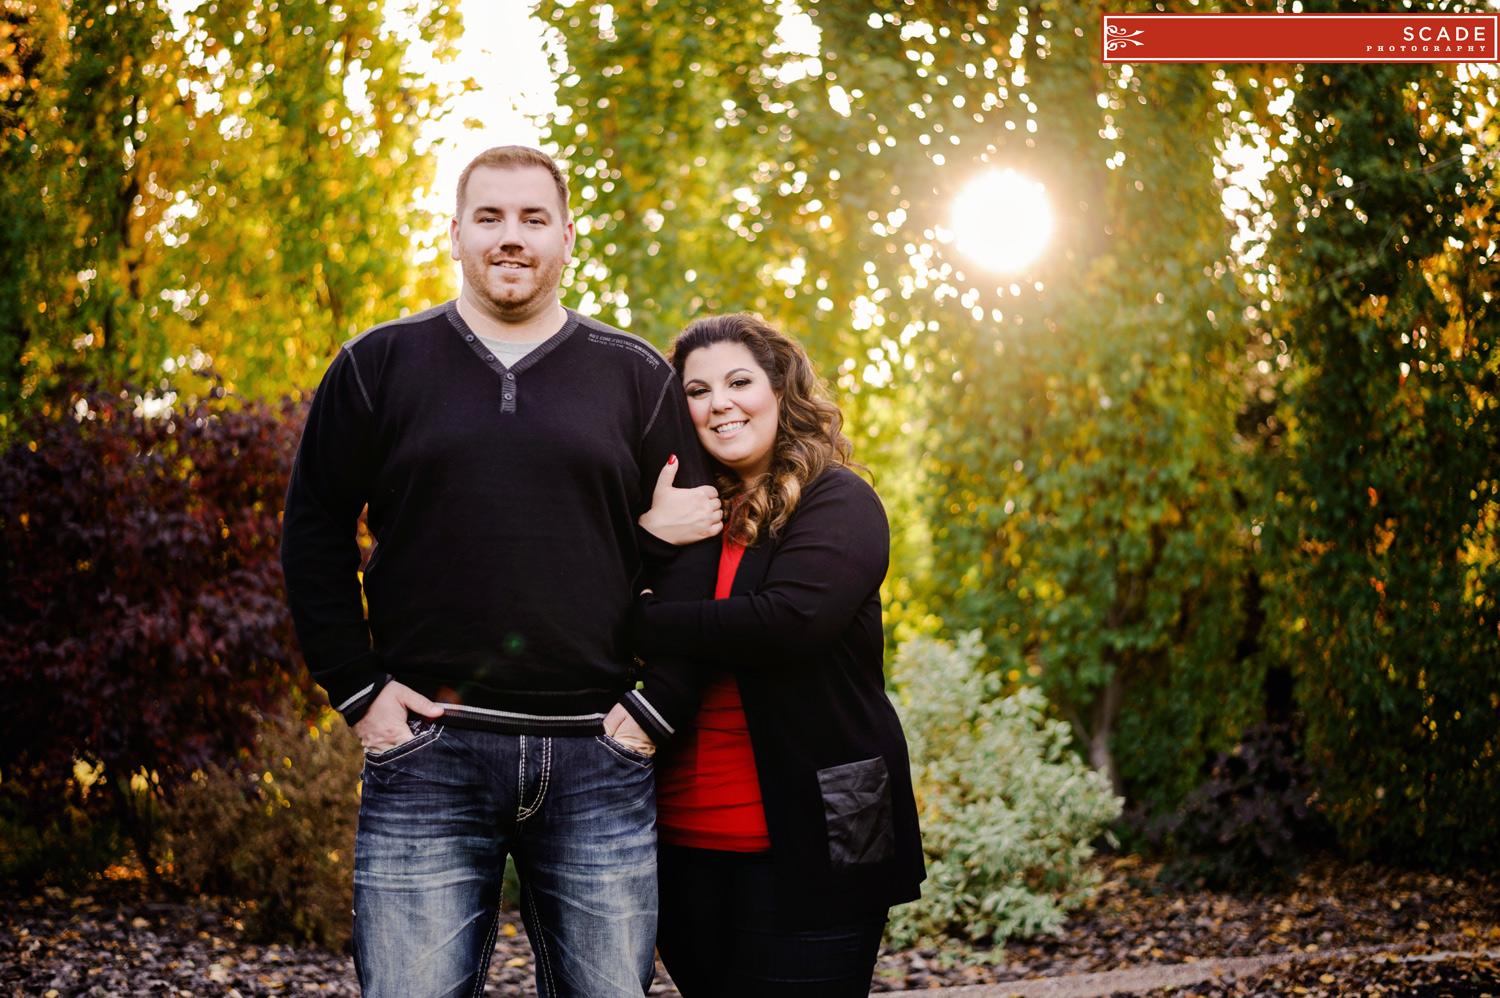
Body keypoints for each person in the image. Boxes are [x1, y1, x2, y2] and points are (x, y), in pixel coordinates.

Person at [279, 145, 717, 998]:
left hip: (600, 752)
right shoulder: (376, 365)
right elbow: (313, 529)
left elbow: (702, 541)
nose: (510, 238)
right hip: (428, 753)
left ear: (567, 237)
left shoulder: (635, 376)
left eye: (531, 219)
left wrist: (656, 707)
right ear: (454, 235)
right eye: (489, 217)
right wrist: (360, 693)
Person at [631, 313, 926, 997]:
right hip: (681, 838)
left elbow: (788, 622)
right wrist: (647, 534)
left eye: (739, 381)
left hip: (810, 834)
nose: (718, 403)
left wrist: (644, 621)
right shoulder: (686, 512)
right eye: (697, 391)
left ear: (780, 390)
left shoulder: (839, 500)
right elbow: (584, 600)